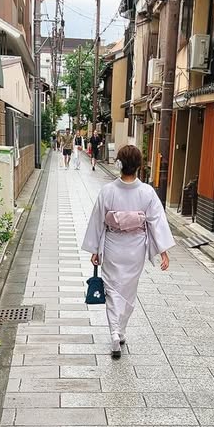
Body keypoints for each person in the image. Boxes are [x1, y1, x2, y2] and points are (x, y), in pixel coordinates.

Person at [82, 144, 173, 359]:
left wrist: (95, 249)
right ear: (139, 166)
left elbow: (97, 220)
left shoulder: (108, 191)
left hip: (113, 246)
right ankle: (120, 330)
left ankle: (115, 332)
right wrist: (163, 251)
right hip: (135, 249)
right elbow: (156, 222)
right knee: (128, 291)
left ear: (119, 164)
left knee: (112, 290)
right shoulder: (147, 192)